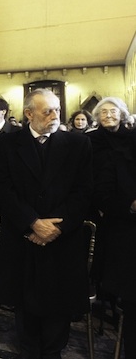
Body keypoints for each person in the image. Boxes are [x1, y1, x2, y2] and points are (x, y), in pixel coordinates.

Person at [0, 88, 92, 359]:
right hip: (24, 235)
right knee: (25, 300)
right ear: (28, 114)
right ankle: (28, 349)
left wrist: (56, 227)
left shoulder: (77, 144)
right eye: (47, 111)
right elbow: (2, 189)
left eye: (57, 109)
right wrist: (32, 222)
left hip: (62, 238)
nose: (54, 115)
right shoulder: (7, 144)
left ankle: (52, 351)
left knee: (58, 300)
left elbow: (83, 192)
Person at [87, 97, 136, 358]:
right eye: (103, 112)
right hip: (108, 209)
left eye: (113, 111)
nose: (108, 115)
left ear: (122, 113)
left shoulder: (131, 136)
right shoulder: (91, 140)